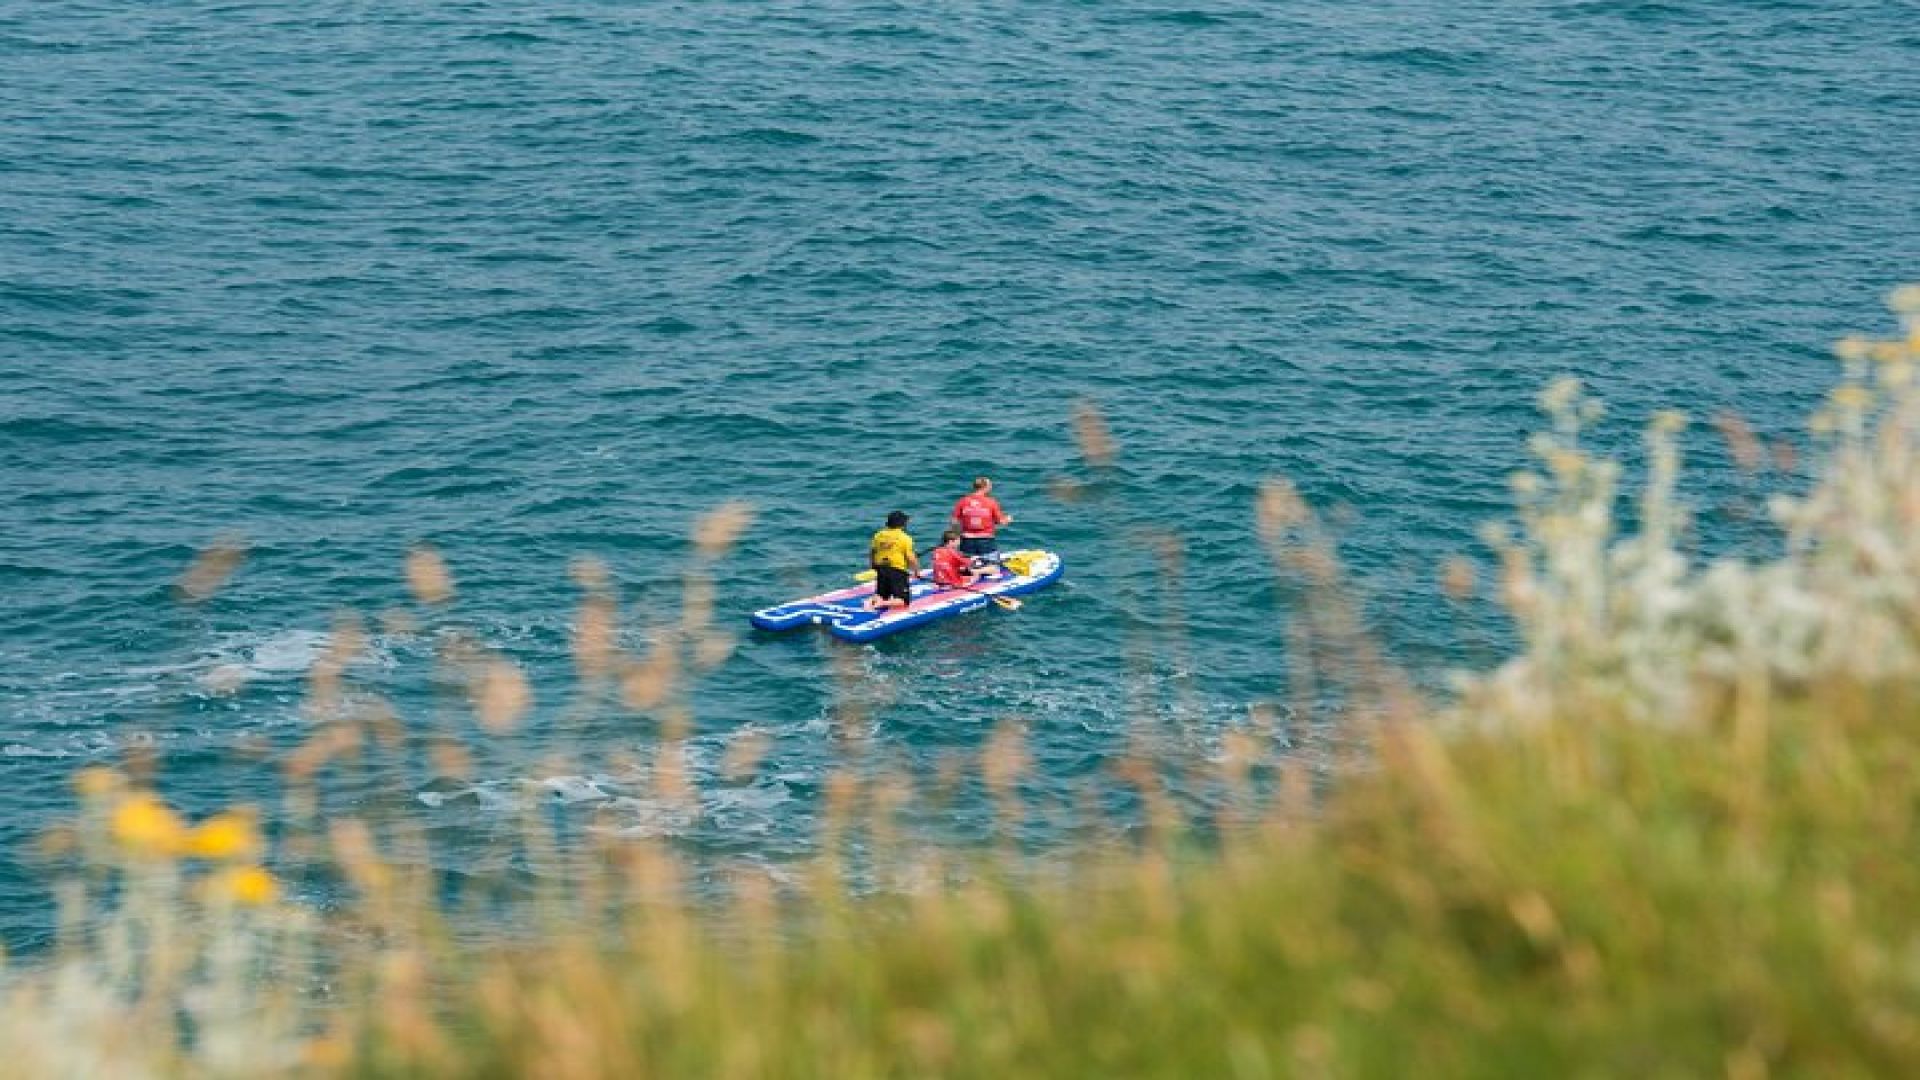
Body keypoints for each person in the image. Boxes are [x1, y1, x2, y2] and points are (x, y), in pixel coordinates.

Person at [866, 510, 919, 611]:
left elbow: (872, 552)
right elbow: (911, 558)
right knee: (904, 601)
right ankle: (882, 603)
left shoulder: (878, 535)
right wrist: (916, 571)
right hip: (897, 571)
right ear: (902, 524)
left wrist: (872, 566)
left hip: (880, 568)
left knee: (882, 594)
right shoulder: (905, 538)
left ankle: (874, 600)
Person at [950, 476, 1012, 558]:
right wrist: (1008, 519)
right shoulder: (991, 502)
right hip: (986, 540)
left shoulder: (962, 501)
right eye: (990, 486)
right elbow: (1001, 521)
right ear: (984, 487)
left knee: (967, 566)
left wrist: (958, 535)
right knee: (991, 566)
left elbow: (954, 521)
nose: (991, 488)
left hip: (967, 541)